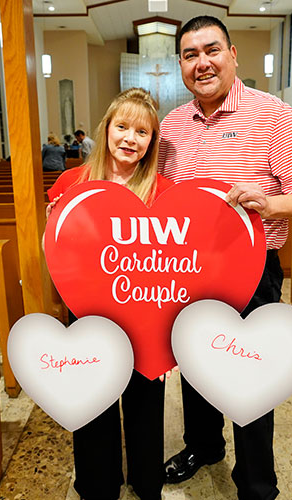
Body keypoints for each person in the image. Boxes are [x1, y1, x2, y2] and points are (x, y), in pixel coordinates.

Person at [157, 16, 292, 500]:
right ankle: (203, 446)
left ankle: (257, 482)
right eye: (191, 55)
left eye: (211, 50)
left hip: (252, 268)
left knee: (248, 370)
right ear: (180, 65)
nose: (202, 62)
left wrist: (271, 203)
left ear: (233, 54)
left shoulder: (271, 115)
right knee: (193, 363)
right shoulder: (172, 124)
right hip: (187, 269)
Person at [46, 88, 174, 500]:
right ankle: (99, 485)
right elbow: (54, 248)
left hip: (145, 315)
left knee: (145, 402)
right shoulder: (72, 181)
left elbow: (177, 260)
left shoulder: (163, 190)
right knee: (93, 401)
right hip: (89, 311)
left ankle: (145, 479)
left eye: (142, 131)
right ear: (107, 129)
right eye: (123, 126)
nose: (130, 138)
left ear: (152, 140)